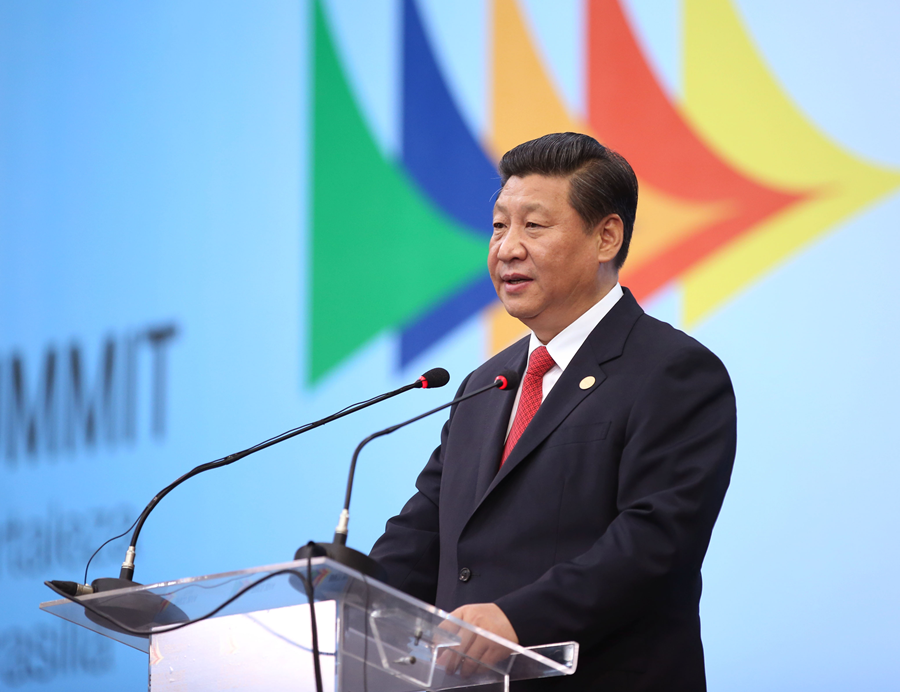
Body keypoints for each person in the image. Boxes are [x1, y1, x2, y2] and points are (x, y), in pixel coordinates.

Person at [370, 132, 737, 691]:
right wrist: (348, 596)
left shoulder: (673, 371)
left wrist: (517, 618)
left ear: (606, 237)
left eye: (534, 226)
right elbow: (425, 531)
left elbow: (655, 543)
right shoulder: (485, 384)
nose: (507, 249)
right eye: (499, 226)